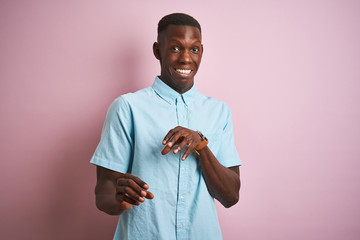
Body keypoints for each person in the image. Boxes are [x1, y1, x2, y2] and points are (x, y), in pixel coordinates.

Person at [91, 13, 241, 240]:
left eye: (194, 49)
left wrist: (201, 144)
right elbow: (103, 194)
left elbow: (230, 196)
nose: (186, 59)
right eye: (175, 48)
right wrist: (120, 197)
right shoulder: (127, 107)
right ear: (157, 50)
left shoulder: (219, 112)